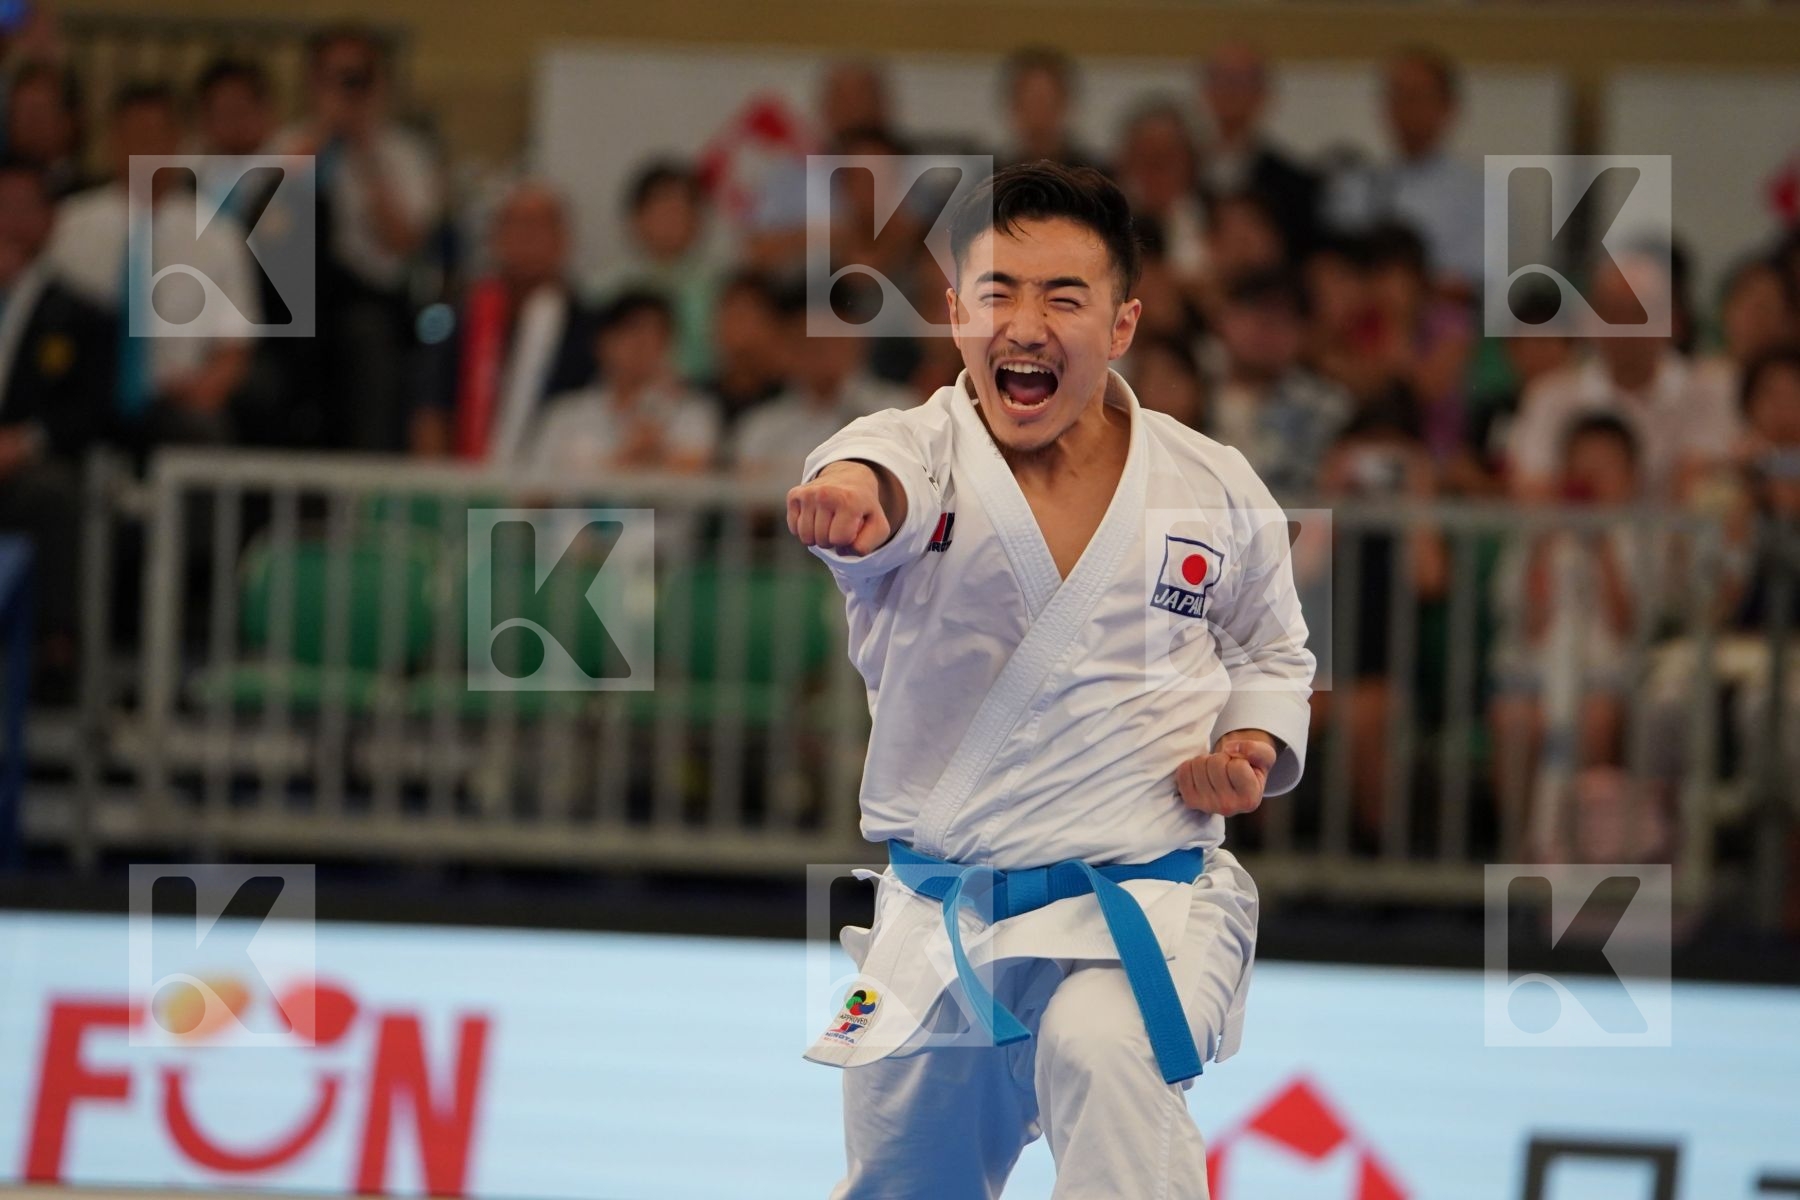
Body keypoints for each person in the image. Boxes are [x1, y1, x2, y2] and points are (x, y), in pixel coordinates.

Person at [788, 162, 1313, 1198]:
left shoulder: (1208, 482)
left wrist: (1250, 747)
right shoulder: (909, 450)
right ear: (954, 313)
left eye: (1063, 297)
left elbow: (1271, 651)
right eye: (997, 294)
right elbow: (870, 483)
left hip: (1147, 899)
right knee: (903, 1181)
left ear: (1121, 325)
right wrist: (847, 500)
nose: (1025, 325)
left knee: (1102, 1045)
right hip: (945, 911)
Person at [47, 82, 258, 450]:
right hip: (75, 394)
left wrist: (205, 388)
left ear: (179, 142)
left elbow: (234, 346)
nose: (145, 147)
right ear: (112, 140)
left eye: (156, 135)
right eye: (133, 135)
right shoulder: (67, 225)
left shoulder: (217, 235)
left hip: (173, 398)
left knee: (203, 430)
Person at [279, 26, 442, 450]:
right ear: (313, 82)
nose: (348, 89)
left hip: (373, 304)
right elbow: (265, 225)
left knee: (367, 340)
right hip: (292, 307)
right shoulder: (288, 146)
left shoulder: (406, 153)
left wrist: (365, 152)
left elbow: (403, 240)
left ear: (380, 82)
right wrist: (323, 137)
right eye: (337, 77)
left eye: (359, 77)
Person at [0, 158, 115, 695]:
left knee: (52, 491)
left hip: (28, 470)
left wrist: (24, 442)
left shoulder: (83, 312)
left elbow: (90, 410)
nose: (10, 221)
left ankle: (55, 651)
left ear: (51, 220)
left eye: (24, 208)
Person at [413, 180, 599, 461]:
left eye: (538, 226)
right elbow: (432, 408)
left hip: (557, 488)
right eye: (515, 225)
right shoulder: (466, 316)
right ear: (495, 238)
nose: (526, 237)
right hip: (469, 485)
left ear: (564, 239)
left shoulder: (590, 326)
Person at [1324, 45, 1484, 296]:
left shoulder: (1480, 193)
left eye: (1417, 95)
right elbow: (1335, 266)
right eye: (1397, 95)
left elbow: (1475, 279)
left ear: (1448, 107)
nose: (1406, 107)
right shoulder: (1356, 185)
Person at [524, 290, 718, 476]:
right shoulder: (564, 414)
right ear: (603, 342)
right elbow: (533, 493)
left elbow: (693, 473)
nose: (642, 345)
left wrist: (652, 452)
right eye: (632, 332)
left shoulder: (692, 410)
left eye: (655, 336)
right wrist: (630, 458)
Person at [732, 290, 911, 482]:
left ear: (857, 339)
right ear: (787, 348)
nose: (821, 349)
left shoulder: (900, 410)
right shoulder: (761, 428)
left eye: (831, 336)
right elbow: (750, 505)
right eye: (809, 340)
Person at [1205, 267, 1349, 497]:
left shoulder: (1327, 406)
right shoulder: (1188, 379)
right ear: (1223, 316)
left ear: (1304, 334)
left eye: (1283, 320)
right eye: (1253, 312)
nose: (1266, 328)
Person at [588, 160, 721, 383]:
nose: (673, 217)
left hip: (699, 396)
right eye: (663, 207)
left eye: (683, 207)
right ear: (635, 219)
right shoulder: (602, 289)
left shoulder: (720, 286)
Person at [1196, 39, 1320, 253]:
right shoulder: (1181, 172)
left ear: (1265, 94)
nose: (1231, 91)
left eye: (1242, 81)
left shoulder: (1294, 185)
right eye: (1222, 79)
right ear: (1205, 91)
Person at [998, 46, 1098, 171]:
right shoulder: (990, 178)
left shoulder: (1093, 178)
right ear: (1014, 106)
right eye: (1030, 102)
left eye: (1046, 101)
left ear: (1065, 104)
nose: (1038, 114)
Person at [5, 61, 89, 200]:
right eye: (20, 112)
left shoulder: (89, 195)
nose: (28, 123)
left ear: (70, 120)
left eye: (37, 112)